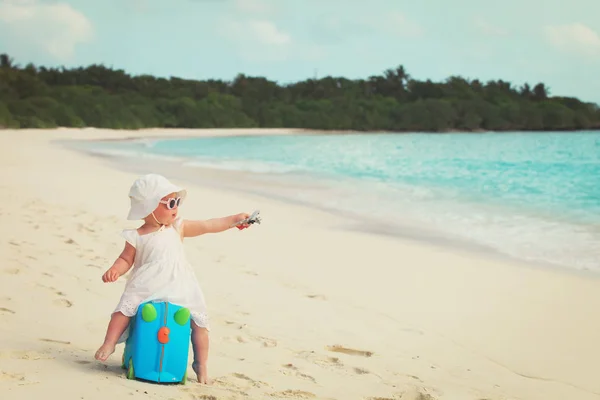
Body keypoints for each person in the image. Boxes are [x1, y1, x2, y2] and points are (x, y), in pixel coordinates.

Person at [94, 173, 252, 384]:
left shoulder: (178, 227)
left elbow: (208, 225)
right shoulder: (137, 235)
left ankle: (201, 364)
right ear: (149, 207)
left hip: (181, 284)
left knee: (199, 323)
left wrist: (233, 221)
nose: (176, 207)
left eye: (177, 202)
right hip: (146, 284)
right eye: (170, 203)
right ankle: (110, 342)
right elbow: (125, 259)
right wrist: (116, 269)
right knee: (124, 309)